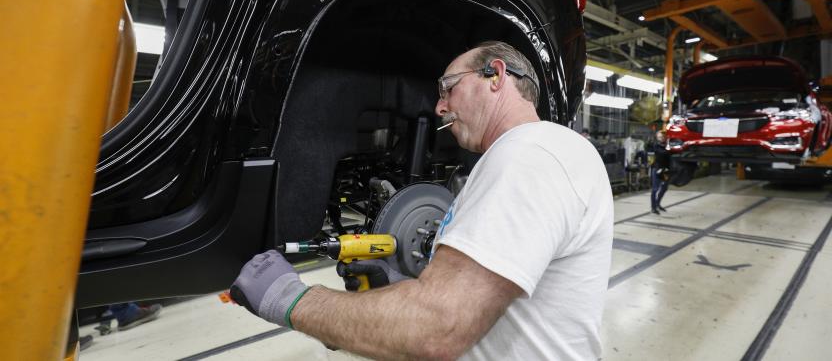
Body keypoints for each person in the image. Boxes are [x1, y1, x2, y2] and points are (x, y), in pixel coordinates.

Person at [230, 41, 614, 360]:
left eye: (448, 88)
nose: (439, 106)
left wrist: (290, 298)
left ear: (495, 76)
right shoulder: (533, 153)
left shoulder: (530, 153)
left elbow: (437, 329)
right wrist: (398, 288)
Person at [649, 130, 670, 214]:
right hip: (657, 169)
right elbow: (662, 153)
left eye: (663, 136)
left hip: (665, 170)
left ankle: (658, 203)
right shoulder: (656, 146)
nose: (662, 138)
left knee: (664, 188)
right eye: (660, 137)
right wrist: (669, 150)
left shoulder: (666, 145)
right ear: (657, 138)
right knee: (655, 189)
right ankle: (653, 208)